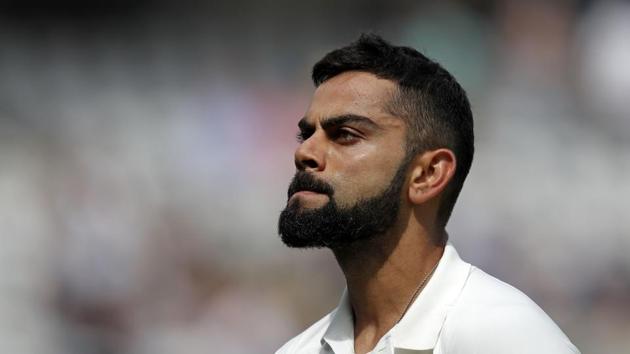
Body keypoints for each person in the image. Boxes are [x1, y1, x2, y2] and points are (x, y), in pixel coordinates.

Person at [276, 34, 579, 354]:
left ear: (428, 174)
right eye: (306, 134)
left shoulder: (507, 339)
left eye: (346, 135)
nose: (304, 151)